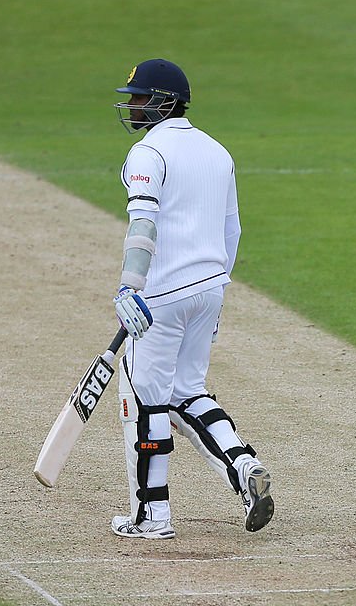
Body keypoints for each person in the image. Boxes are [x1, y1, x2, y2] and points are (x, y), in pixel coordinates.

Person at [108, 58, 274, 538]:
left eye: (139, 96)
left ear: (162, 100)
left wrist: (129, 287)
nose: (133, 105)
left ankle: (150, 515)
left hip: (159, 296)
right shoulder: (218, 152)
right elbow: (232, 230)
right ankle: (245, 469)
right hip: (210, 289)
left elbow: (143, 224)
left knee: (145, 401)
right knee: (188, 393)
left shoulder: (148, 153)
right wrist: (216, 288)